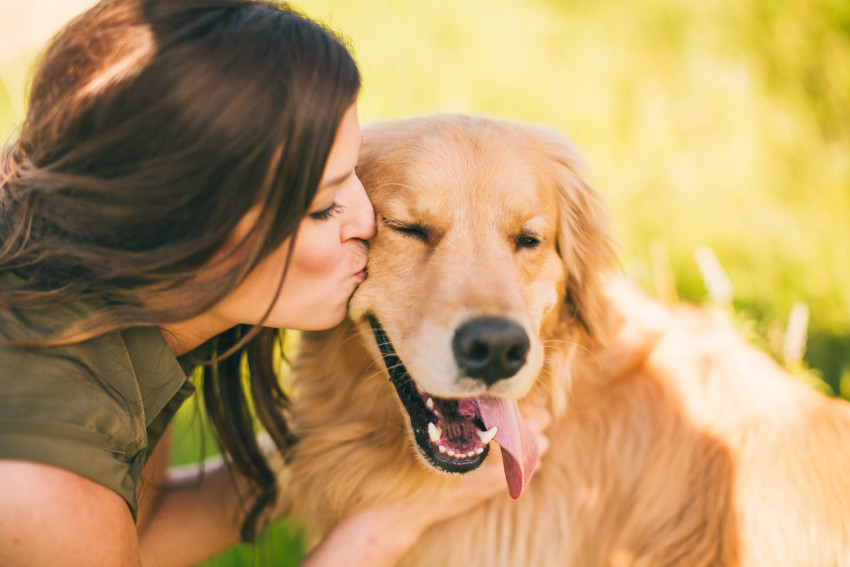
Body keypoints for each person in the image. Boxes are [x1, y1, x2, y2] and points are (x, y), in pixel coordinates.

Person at [0, 1, 549, 565]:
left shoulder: (117, 300)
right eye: (323, 207)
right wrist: (381, 530)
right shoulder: (41, 480)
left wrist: (341, 459)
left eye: (353, 177)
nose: (368, 221)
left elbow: (136, 528)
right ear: (186, 235)